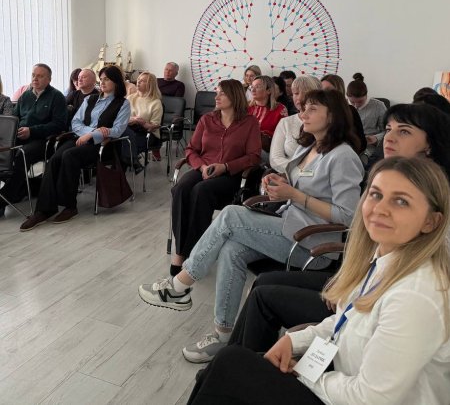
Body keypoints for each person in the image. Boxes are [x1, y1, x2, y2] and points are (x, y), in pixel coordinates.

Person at [188, 156, 450, 405]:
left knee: (229, 366)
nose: (380, 209)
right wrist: (295, 341)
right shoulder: (382, 259)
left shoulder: (415, 296)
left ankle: (183, 283)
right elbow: (345, 318)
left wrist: (303, 373)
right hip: (345, 377)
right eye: (376, 195)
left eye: (401, 202)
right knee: (224, 369)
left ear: (431, 222)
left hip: (354, 397)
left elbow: (369, 398)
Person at [139, 89, 364, 363]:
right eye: (304, 108)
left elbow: (347, 216)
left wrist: (295, 196)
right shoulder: (309, 147)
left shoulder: (343, 156)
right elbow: (300, 187)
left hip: (310, 244)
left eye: (312, 109)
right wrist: (278, 185)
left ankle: (180, 285)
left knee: (230, 215)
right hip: (288, 224)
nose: (303, 114)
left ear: (333, 116)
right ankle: (223, 335)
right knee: (231, 250)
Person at [228, 102, 450, 354]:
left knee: (261, 293)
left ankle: (244, 364)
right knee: (262, 282)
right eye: (388, 129)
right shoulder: (384, 176)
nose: (389, 137)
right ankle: (242, 361)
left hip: (372, 300)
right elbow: (365, 243)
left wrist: (350, 290)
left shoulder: (431, 198)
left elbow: (408, 269)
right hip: (356, 279)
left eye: (404, 131)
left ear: (429, 145)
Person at [164, 79, 261, 277]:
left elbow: (254, 156)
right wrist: (202, 167)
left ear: (234, 96)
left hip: (231, 175)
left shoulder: (249, 122)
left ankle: (196, 254)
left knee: (201, 191)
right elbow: (191, 149)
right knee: (180, 189)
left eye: (221, 93)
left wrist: (225, 166)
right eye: (216, 92)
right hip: (204, 168)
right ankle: (181, 252)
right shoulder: (207, 119)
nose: (216, 97)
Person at [19, 65, 131, 230]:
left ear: (116, 82)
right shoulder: (90, 99)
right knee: (55, 159)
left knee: (69, 156)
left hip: (102, 145)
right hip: (80, 138)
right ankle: (44, 210)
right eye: (101, 79)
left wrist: (92, 136)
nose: (102, 82)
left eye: (107, 79)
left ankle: (70, 206)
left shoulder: (123, 104)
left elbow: (117, 130)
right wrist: (92, 132)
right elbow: (75, 122)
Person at [0, 64, 67, 217]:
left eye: (40, 76)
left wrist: (32, 131)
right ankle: (17, 190)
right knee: (3, 152)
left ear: (49, 79)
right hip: (19, 136)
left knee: (20, 155)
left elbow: (59, 125)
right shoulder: (26, 96)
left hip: (42, 140)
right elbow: (14, 118)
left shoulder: (56, 97)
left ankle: (4, 198)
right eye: (33, 75)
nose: (35, 79)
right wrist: (13, 132)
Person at [270, 75, 321, 172]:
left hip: (317, 175)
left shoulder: (322, 123)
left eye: (305, 93)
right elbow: (275, 158)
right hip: (288, 174)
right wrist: (298, 171)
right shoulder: (285, 122)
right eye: (296, 93)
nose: (299, 97)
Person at [122, 71, 163, 173]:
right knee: (119, 144)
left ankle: (119, 175)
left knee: (125, 145)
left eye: (142, 81)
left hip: (147, 133)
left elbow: (154, 127)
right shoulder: (130, 98)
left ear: (150, 84)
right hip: (128, 129)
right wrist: (133, 120)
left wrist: (142, 122)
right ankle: (133, 162)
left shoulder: (155, 102)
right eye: (138, 80)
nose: (138, 82)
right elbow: (122, 118)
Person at [321, 73, 367, 154]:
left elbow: (361, 143)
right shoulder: (316, 112)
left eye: (328, 90)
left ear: (339, 91)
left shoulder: (350, 111)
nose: (323, 94)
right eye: (320, 90)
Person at [247, 75, 288, 160]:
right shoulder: (245, 107)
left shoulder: (280, 109)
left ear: (268, 91)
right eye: (251, 87)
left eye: (257, 87)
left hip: (267, 150)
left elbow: (283, 137)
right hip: (243, 147)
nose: (253, 90)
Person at [347, 72, 386, 157]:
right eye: (352, 102)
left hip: (368, 146)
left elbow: (387, 130)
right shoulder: (342, 105)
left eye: (360, 102)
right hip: (346, 144)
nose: (356, 105)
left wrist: (376, 138)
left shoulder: (378, 106)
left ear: (366, 96)